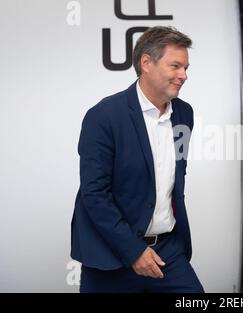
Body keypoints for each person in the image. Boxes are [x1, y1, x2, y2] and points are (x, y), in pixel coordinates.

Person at [70, 26, 204, 293]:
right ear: (146, 63)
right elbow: (94, 194)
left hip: (167, 252)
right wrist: (134, 251)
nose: (184, 76)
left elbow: (176, 176)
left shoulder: (184, 114)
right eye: (175, 66)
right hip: (110, 256)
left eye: (186, 68)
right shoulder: (104, 116)